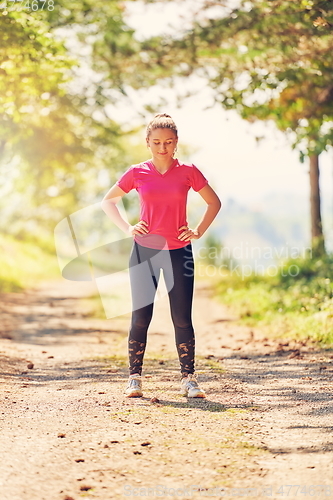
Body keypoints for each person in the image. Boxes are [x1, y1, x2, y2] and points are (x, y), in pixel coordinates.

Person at [101, 113, 221, 398]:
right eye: (156, 142)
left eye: (168, 142)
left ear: (176, 142)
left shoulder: (189, 171)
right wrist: (129, 227)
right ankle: (134, 379)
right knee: (141, 317)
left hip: (180, 252)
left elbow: (213, 202)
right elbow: (108, 202)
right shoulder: (137, 172)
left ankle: (189, 380)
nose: (163, 147)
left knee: (182, 318)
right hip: (145, 250)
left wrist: (198, 231)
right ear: (148, 143)